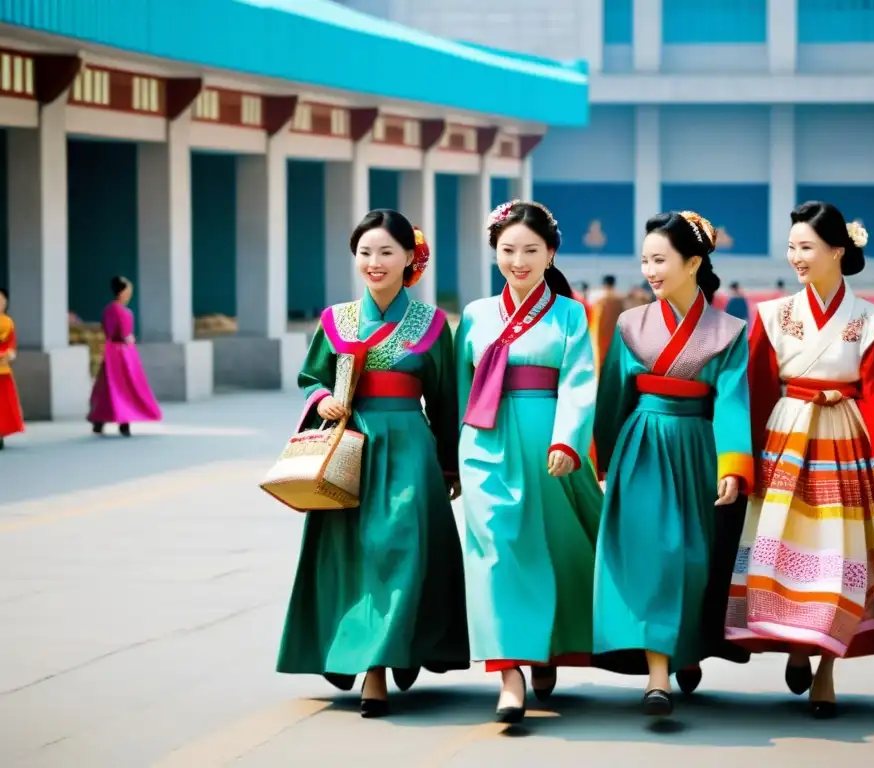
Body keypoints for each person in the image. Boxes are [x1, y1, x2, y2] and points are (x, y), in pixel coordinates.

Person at [726, 201, 874, 719]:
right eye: (792, 247)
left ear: (837, 252)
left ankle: (825, 666)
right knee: (786, 550)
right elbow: (754, 390)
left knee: (838, 557)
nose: (796, 257)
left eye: (807, 247)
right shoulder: (772, 315)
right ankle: (800, 644)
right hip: (785, 443)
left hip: (845, 444)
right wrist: (743, 460)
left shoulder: (870, 320)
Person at [276, 210, 469, 718]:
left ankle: (380, 667)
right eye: (365, 252)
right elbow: (310, 378)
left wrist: (450, 466)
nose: (374, 262)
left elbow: (446, 400)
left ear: (410, 258)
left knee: (398, 550)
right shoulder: (334, 320)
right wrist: (322, 401)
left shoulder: (431, 323)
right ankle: (371, 658)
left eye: (386, 252)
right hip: (351, 451)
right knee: (355, 555)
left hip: (409, 452)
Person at [592, 211, 753, 716]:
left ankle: (685, 647)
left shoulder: (728, 331)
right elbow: (613, 394)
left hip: (697, 450)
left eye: (659, 260)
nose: (650, 270)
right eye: (645, 260)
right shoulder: (630, 324)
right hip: (640, 449)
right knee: (651, 556)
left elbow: (730, 400)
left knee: (692, 559)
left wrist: (733, 464)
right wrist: (602, 458)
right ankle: (657, 675)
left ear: (694, 262)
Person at [456, 200, 603, 724]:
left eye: (530, 251)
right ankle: (510, 671)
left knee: (552, 549)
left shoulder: (570, 313)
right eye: (508, 250)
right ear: (494, 251)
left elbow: (580, 381)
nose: (518, 261)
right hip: (485, 445)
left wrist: (567, 441)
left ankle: (549, 647)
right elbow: (460, 389)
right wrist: (456, 461)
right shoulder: (474, 315)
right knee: (496, 547)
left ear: (550, 253)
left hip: (547, 448)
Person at [88, 277, 162, 436]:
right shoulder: (118, 311)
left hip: (117, 352)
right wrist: (126, 338)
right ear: (121, 292)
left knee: (111, 387)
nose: (129, 295)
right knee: (121, 386)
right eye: (128, 291)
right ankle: (122, 422)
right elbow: (118, 332)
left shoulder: (112, 310)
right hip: (120, 352)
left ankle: (101, 421)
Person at [0, 289, 25, 450]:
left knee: (4, 404)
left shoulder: (8, 323)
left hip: (3, 370)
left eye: (2, 301)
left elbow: (11, 344)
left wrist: (9, 353)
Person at [590, 274, 626, 372]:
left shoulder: (598, 297)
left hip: (600, 332)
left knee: (599, 356)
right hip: (615, 331)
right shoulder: (620, 298)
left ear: (604, 283)